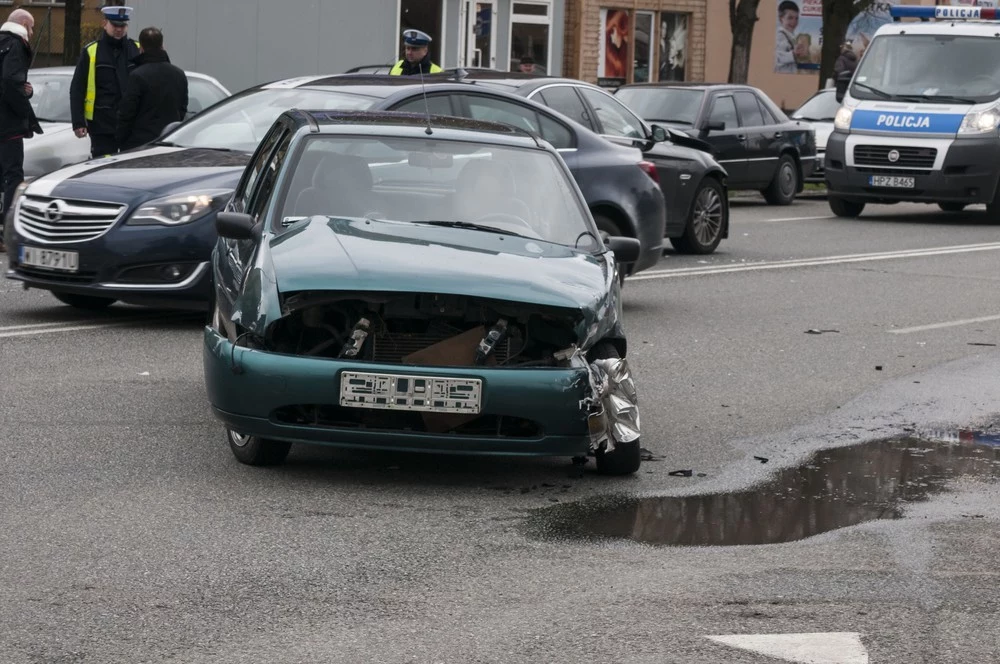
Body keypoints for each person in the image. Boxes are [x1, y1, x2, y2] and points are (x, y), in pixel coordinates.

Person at [69, 4, 141, 158]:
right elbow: (77, 88)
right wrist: (78, 122)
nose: (119, 29)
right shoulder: (91, 51)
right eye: (115, 25)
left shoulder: (137, 49)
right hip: (102, 124)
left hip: (132, 123)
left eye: (123, 25)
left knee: (130, 169)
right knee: (103, 169)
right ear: (104, 24)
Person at [0, 8, 42, 250]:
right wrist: (24, 109)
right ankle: (9, 232)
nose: (33, 32)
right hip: (9, 126)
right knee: (13, 177)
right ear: (24, 24)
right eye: (33, 27)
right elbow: (10, 81)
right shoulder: (16, 45)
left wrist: (25, 89)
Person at [115, 27, 187, 151]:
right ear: (162, 46)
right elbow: (182, 109)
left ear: (141, 48)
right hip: (169, 142)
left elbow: (127, 113)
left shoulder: (137, 76)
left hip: (139, 144)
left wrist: (121, 140)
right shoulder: (179, 74)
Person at [775, 0, 803, 74]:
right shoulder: (780, 36)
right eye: (790, 18)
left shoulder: (790, 35)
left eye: (796, 18)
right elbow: (777, 58)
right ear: (781, 18)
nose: (794, 22)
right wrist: (793, 54)